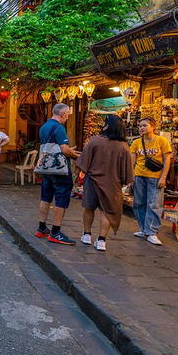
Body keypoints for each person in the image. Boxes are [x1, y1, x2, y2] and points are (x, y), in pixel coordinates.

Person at [75, 115, 134, 252]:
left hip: (93, 181)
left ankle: (87, 235)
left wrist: (79, 175)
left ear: (108, 125)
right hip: (113, 184)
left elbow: (84, 161)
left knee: (89, 207)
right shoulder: (124, 147)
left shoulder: (95, 141)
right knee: (106, 211)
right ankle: (101, 240)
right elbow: (127, 171)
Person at [36, 103, 81, 245]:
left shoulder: (44, 127)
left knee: (45, 197)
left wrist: (67, 149)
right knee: (61, 198)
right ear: (63, 114)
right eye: (67, 115)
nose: (67, 118)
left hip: (46, 168)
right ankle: (56, 232)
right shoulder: (59, 128)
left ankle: (42, 227)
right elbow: (65, 150)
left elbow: (51, 147)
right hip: (59, 169)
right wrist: (77, 156)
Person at [129, 117, 172, 246]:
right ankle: (144, 229)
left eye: (145, 125)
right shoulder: (136, 143)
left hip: (155, 176)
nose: (142, 128)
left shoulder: (161, 141)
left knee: (154, 204)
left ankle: (152, 232)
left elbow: (167, 160)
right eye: (140, 126)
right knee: (138, 203)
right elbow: (132, 161)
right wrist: (131, 177)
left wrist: (163, 176)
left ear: (153, 127)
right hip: (139, 175)